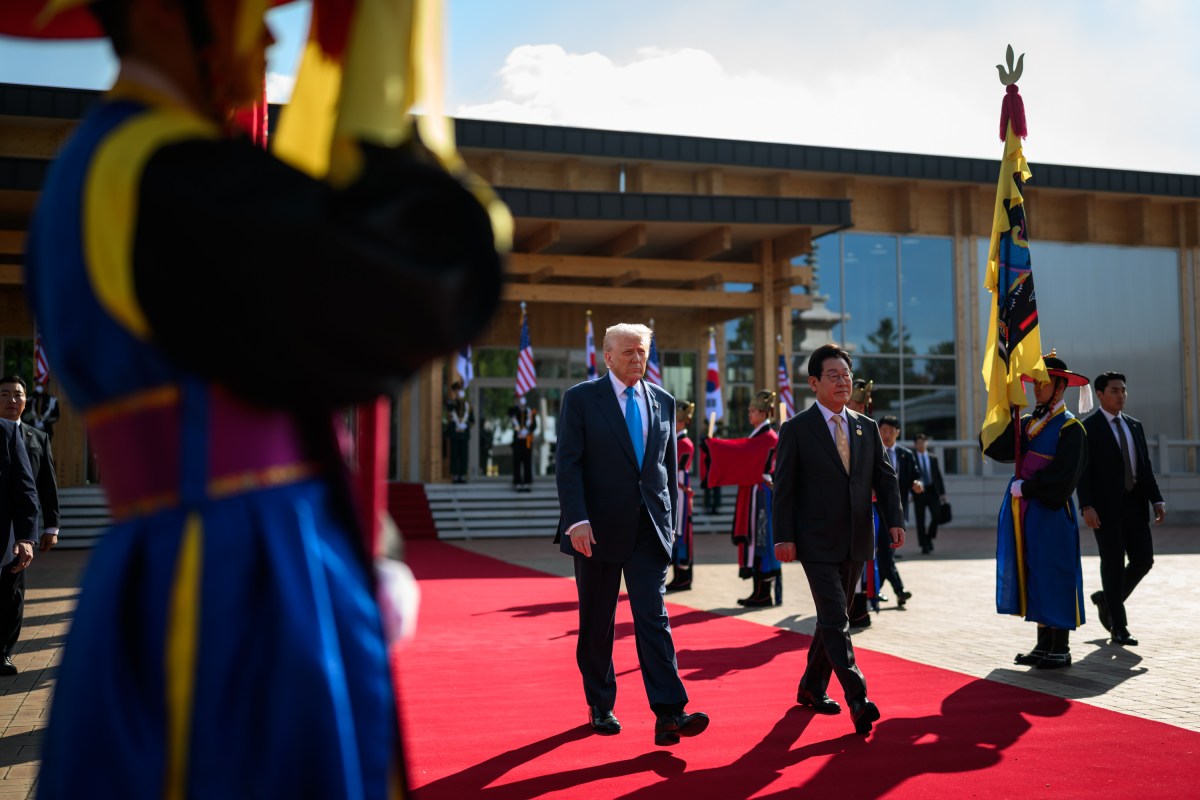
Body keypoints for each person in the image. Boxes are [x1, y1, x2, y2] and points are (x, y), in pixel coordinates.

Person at [20, 1, 504, 796]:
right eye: (245, 10)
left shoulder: (110, 162)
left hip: (194, 558)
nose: (274, 33)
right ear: (163, 12)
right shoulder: (164, 170)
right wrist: (376, 105)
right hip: (233, 581)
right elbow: (425, 279)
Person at [554, 323, 709, 746]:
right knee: (598, 623)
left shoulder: (664, 401)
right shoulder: (581, 399)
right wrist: (576, 519)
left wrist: (671, 525)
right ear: (607, 356)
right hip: (596, 531)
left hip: (648, 530)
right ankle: (601, 703)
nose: (636, 358)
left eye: (641, 351)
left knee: (653, 618)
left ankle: (670, 712)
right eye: (627, 352)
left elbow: (665, 470)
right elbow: (567, 465)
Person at [772, 343, 904, 736]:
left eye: (846, 375)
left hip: (857, 538)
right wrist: (784, 537)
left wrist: (894, 520)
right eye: (833, 375)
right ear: (814, 383)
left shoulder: (865, 427)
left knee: (834, 620)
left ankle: (812, 687)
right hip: (814, 541)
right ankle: (858, 698)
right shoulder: (796, 429)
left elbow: (885, 478)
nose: (843, 381)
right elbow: (784, 489)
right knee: (834, 617)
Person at [982, 353, 1089, 670]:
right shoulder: (1028, 423)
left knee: (1055, 574)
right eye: (1036, 382)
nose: (1038, 388)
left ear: (1060, 387)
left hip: (1051, 513)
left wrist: (1028, 488)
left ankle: (1061, 646)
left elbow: (1065, 477)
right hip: (1025, 512)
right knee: (1035, 574)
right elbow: (997, 449)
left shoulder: (1071, 428)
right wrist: (1004, 412)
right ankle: (1044, 644)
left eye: (1044, 382)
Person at [1077, 371, 1165, 647]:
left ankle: (1107, 599)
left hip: (1135, 505)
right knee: (1113, 564)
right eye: (1115, 390)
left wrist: (1157, 500)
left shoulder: (1134, 425)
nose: (1121, 395)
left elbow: (1145, 468)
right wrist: (1087, 506)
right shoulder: (1087, 427)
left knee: (1144, 560)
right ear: (1100, 394)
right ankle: (1119, 626)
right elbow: (1084, 471)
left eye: (1123, 390)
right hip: (1104, 509)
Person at [702, 390, 781, 607]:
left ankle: (764, 592)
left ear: (764, 413)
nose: (749, 414)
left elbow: (741, 450)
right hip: (753, 491)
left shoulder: (767, 437)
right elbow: (743, 450)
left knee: (761, 539)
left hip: (760, 493)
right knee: (755, 540)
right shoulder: (760, 435)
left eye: (753, 411)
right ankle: (759, 590)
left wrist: (714, 445)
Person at [0, 405, 41, 678]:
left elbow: (26, 487)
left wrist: (27, 536)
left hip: (3, 537)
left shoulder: (7, 432)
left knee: (6, 596)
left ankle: (1, 651)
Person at [877, 415, 915, 609]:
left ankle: (875, 589)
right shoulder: (873, 452)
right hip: (877, 511)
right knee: (886, 552)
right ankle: (898, 590)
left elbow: (916, 476)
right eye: (883, 430)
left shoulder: (905, 455)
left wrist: (917, 484)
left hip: (898, 512)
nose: (887, 435)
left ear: (897, 433)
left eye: (891, 431)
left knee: (886, 553)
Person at [666, 401, 696, 592]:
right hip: (675, 491)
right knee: (676, 534)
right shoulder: (675, 441)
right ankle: (678, 575)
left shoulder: (684, 443)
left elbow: (678, 471)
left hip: (681, 494)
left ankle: (683, 577)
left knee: (682, 534)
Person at [911, 433, 947, 554]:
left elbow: (938, 476)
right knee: (920, 520)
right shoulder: (912, 457)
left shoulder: (933, 458)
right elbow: (909, 476)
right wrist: (911, 492)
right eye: (918, 442)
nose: (921, 444)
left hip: (933, 491)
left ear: (926, 443)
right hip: (918, 492)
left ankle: (929, 537)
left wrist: (942, 492)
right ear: (915, 445)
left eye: (923, 442)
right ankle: (924, 545)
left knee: (937, 517)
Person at [510, 394, 537, 492]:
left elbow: (534, 426)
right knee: (517, 462)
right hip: (517, 441)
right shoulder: (514, 412)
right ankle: (517, 482)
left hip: (527, 441)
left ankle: (527, 483)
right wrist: (519, 430)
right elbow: (513, 423)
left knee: (527, 462)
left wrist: (528, 431)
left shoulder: (530, 413)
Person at [447, 380, 471, 483]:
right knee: (455, 454)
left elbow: (471, 419)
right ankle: (455, 475)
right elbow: (450, 410)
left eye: (460, 390)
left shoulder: (467, 405)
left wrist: (466, 425)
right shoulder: (452, 403)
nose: (459, 392)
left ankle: (462, 475)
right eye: (457, 390)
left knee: (463, 455)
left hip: (464, 434)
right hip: (455, 433)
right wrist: (456, 400)